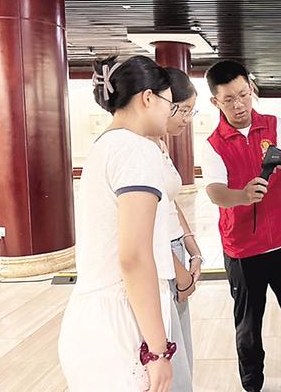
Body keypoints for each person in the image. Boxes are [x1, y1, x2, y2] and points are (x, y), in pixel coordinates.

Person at [201, 60, 281, 392]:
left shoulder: (275, 125)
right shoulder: (213, 144)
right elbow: (214, 192)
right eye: (229, 99)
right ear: (215, 101)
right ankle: (252, 383)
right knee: (248, 323)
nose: (239, 104)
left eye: (244, 94)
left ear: (252, 89)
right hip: (243, 249)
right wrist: (242, 196)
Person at [58, 55, 177, 392]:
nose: (170, 113)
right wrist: (158, 351)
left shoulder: (106, 145)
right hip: (121, 325)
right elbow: (134, 257)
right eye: (169, 103)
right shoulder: (136, 150)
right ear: (148, 98)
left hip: (93, 318)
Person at [149, 67, 204, 391]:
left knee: (182, 347)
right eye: (183, 110)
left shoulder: (160, 144)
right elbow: (146, 228)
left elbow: (169, 203)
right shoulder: (138, 151)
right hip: (161, 257)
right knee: (169, 354)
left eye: (190, 111)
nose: (186, 119)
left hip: (174, 248)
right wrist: (180, 272)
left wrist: (191, 245)